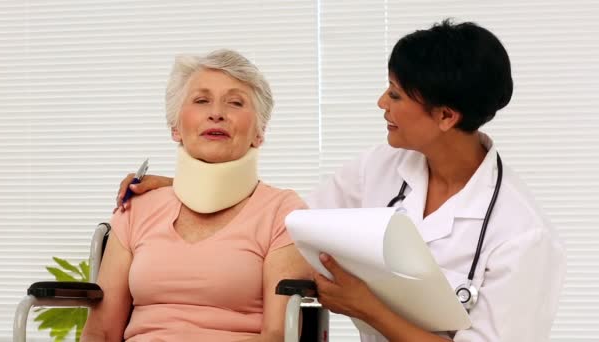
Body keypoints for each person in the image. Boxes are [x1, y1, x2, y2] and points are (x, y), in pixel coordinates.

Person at [116, 20, 566, 341]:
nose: (380, 102)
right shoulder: (382, 167)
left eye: (395, 93)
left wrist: (366, 306)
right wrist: (188, 185)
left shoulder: (523, 236)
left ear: (446, 117)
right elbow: (292, 224)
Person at [83, 49, 310, 341]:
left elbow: (279, 335)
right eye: (201, 101)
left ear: (260, 131)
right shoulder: (137, 209)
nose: (216, 113)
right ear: (175, 127)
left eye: (236, 102)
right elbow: (100, 331)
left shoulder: (283, 213)